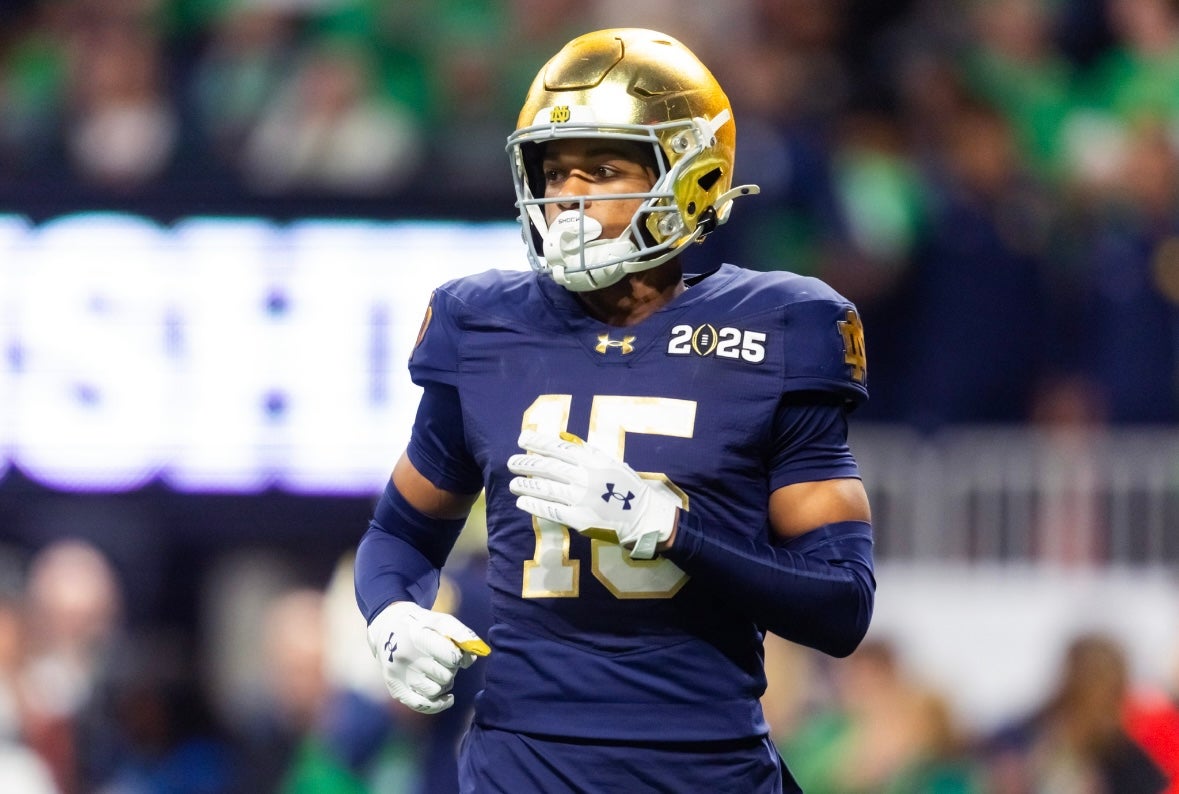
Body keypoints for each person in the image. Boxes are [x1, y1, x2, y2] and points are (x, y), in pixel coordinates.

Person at [353, 27, 876, 793]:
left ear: (691, 175)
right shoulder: (481, 323)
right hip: (520, 764)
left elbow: (839, 608)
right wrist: (390, 616)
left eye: (602, 168)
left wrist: (666, 527)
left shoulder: (780, 327)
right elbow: (399, 533)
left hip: (704, 766)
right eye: (553, 170)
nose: (567, 194)